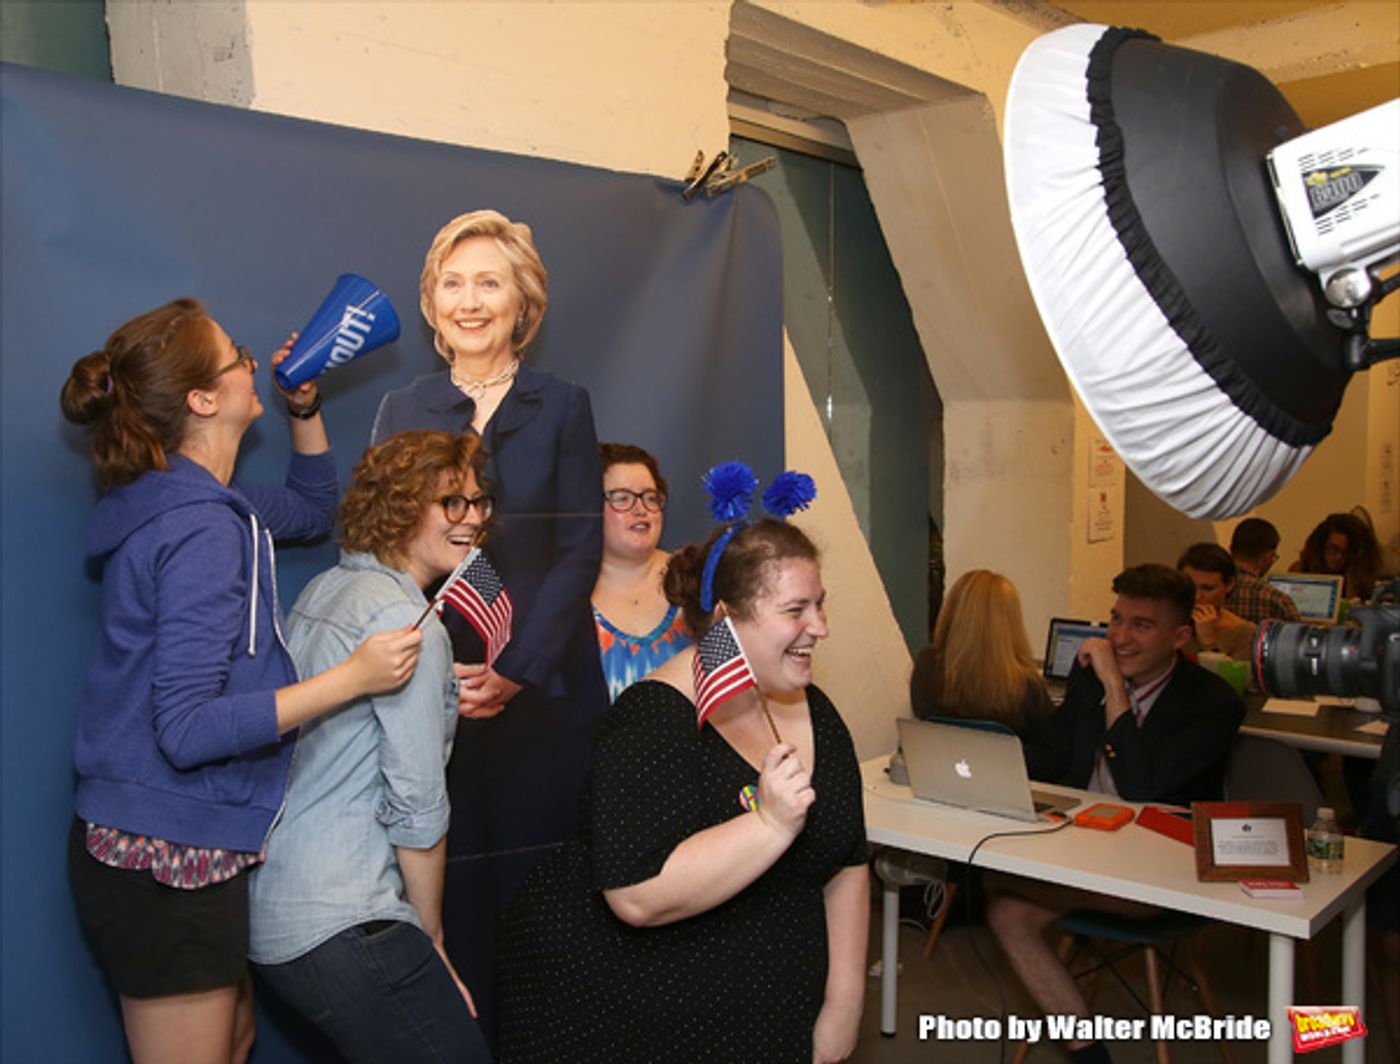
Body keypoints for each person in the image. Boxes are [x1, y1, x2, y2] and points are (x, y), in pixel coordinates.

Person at [61, 299, 423, 1064]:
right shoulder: (199, 527)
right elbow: (187, 730)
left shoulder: (196, 501)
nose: (253, 364)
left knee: (234, 1039)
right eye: (239, 358)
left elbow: (311, 511)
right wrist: (352, 679)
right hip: (161, 854)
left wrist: (304, 408)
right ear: (201, 399)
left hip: (182, 841)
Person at [497, 517, 870, 1063]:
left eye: (820, 604)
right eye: (795, 610)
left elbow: (848, 859)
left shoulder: (818, 713)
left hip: (773, 1017)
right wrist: (769, 825)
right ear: (724, 618)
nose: (820, 626)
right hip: (631, 1020)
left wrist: (844, 1002)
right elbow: (635, 895)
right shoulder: (651, 719)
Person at [369, 208, 609, 1032]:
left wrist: (516, 670)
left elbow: (579, 547)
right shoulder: (402, 406)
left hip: (543, 697)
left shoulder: (565, 405)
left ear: (523, 302)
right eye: (453, 284)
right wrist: (438, 672)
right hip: (432, 698)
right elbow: (384, 548)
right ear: (432, 304)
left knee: (544, 904)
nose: (470, 301)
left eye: (489, 283)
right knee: (451, 903)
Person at [248, 431, 495, 1064]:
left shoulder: (329, 587)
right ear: (401, 507)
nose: (472, 518)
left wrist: (436, 688)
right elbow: (417, 803)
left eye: (477, 501)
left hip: (278, 910)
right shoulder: (406, 623)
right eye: (452, 502)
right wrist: (431, 937)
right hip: (344, 915)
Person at [985, 564, 1244, 1064]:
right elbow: (1056, 755)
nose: (1120, 638)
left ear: (1180, 637)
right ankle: (1088, 1052)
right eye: (1116, 620)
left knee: (1001, 884)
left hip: (1163, 872)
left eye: (1141, 625)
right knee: (1005, 908)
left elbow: (1141, 786)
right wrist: (988, 755)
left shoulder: (1213, 704)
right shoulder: (1089, 681)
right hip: (1085, 847)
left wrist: (1115, 689)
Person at [909, 569, 1055, 779]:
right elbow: (1052, 757)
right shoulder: (1026, 686)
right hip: (1005, 785)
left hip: (942, 779)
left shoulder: (927, 666)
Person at [592, 442, 691, 701]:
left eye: (650, 497)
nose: (641, 509)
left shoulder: (695, 579)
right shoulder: (566, 593)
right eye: (622, 498)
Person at [1177, 542, 1257, 660]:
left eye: (1208, 588)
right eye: (1190, 587)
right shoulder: (1170, 620)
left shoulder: (1245, 633)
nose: (1197, 596)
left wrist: (1209, 643)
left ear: (1229, 584)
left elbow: (1233, 673)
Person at [1290, 511, 1382, 601]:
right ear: (1320, 546)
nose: (1339, 557)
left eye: (1346, 552)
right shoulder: (1301, 570)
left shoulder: (1361, 576)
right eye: (1333, 549)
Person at [1225, 517, 1300, 623]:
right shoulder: (1277, 600)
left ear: (1230, 549)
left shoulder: (1214, 589)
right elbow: (1297, 632)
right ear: (1268, 556)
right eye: (1274, 556)